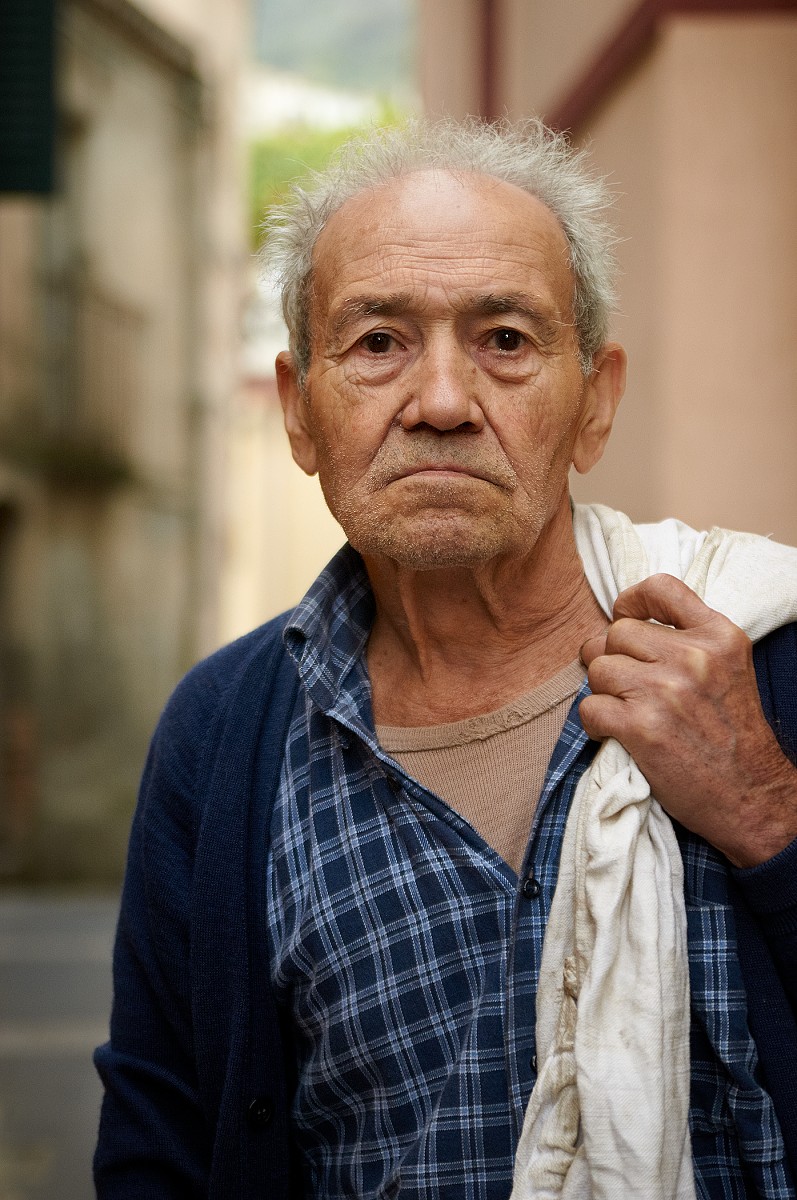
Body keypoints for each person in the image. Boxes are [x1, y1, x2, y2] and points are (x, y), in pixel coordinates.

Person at [93, 118, 797, 1199]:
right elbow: (163, 1147)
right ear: (297, 410)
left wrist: (768, 824)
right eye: (376, 343)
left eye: (505, 340)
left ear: (593, 401)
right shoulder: (223, 733)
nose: (439, 403)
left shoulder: (753, 659)